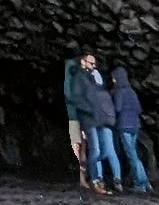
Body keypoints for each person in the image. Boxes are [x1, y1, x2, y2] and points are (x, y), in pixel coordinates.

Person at [64, 51, 120, 192]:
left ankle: (93, 174)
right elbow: (75, 99)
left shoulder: (92, 78)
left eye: (95, 63)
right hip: (88, 119)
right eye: (91, 63)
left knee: (103, 150)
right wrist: (91, 110)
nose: (94, 65)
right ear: (83, 62)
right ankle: (94, 178)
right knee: (95, 150)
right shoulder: (79, 78)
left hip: (97, 119)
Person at [108, 65, 152, 193]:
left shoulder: (120, 92)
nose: (113, 81)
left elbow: (118, 108)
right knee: (135, 154)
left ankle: (139, 184)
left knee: (131, 155)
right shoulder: (132, 91)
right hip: (135, 126)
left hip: (124, 126)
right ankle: (145, 182)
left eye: (114, 78)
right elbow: (139, 109)